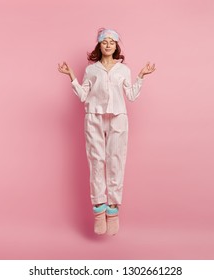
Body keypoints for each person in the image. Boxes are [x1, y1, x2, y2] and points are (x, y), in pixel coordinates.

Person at [58, 28, 155, 235]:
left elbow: (131, 95)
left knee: (116, 160)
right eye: (104, 41)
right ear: (99, 46)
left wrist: (141, 76)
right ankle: (99, 209)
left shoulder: (124, 70)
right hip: (94, 116)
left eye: (112, 41)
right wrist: (71, 76)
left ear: (116, 45)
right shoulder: (91, 70)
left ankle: (113, 210)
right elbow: (84, 95)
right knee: (96, 160)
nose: (108, 44)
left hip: (118, 117)